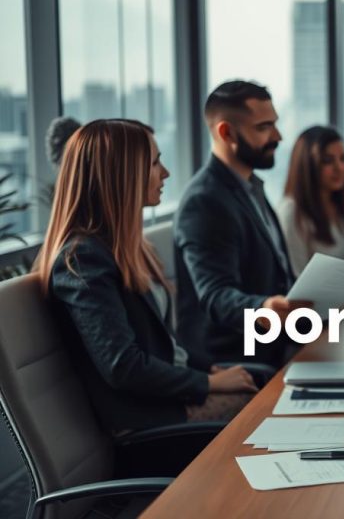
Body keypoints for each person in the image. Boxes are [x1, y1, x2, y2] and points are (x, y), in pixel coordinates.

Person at [36, 119, 257, 434]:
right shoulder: (82, 259)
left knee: (259, 391)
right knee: (260, 408)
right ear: (121, 175)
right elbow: (123, 367)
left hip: (167, 403)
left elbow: (163, 342)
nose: (165, 173)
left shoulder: (120, 248)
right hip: (149, 427)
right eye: (154, 163)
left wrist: (207, 368)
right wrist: (208, 382)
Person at [174, 81, 311, 368]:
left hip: (275, 348)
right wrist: (261, 308)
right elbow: (214, 294)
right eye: (263, 128)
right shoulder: (205, 201)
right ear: (226, 132)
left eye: (274, 124)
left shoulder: (251, 188)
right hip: (234, 362)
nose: (278, 136)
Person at [279, 126, 344, 274]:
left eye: (343, 158)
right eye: (327, 161)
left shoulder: (341, 208)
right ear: (307, 165)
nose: (339, 167)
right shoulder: (292, 211)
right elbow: (295, 280)